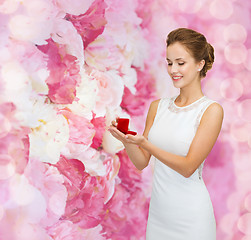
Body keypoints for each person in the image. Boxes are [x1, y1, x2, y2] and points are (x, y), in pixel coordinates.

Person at [108, 28, 224, 240]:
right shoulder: (158, 107)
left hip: (192, 218)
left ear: (200, 64)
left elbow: (188, 167)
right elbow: (142, 162)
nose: (173, 70)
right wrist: (127, 141)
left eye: (181, 63)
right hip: (159, 217)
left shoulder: (210, 110)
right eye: (169, 63)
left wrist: (148, 144)